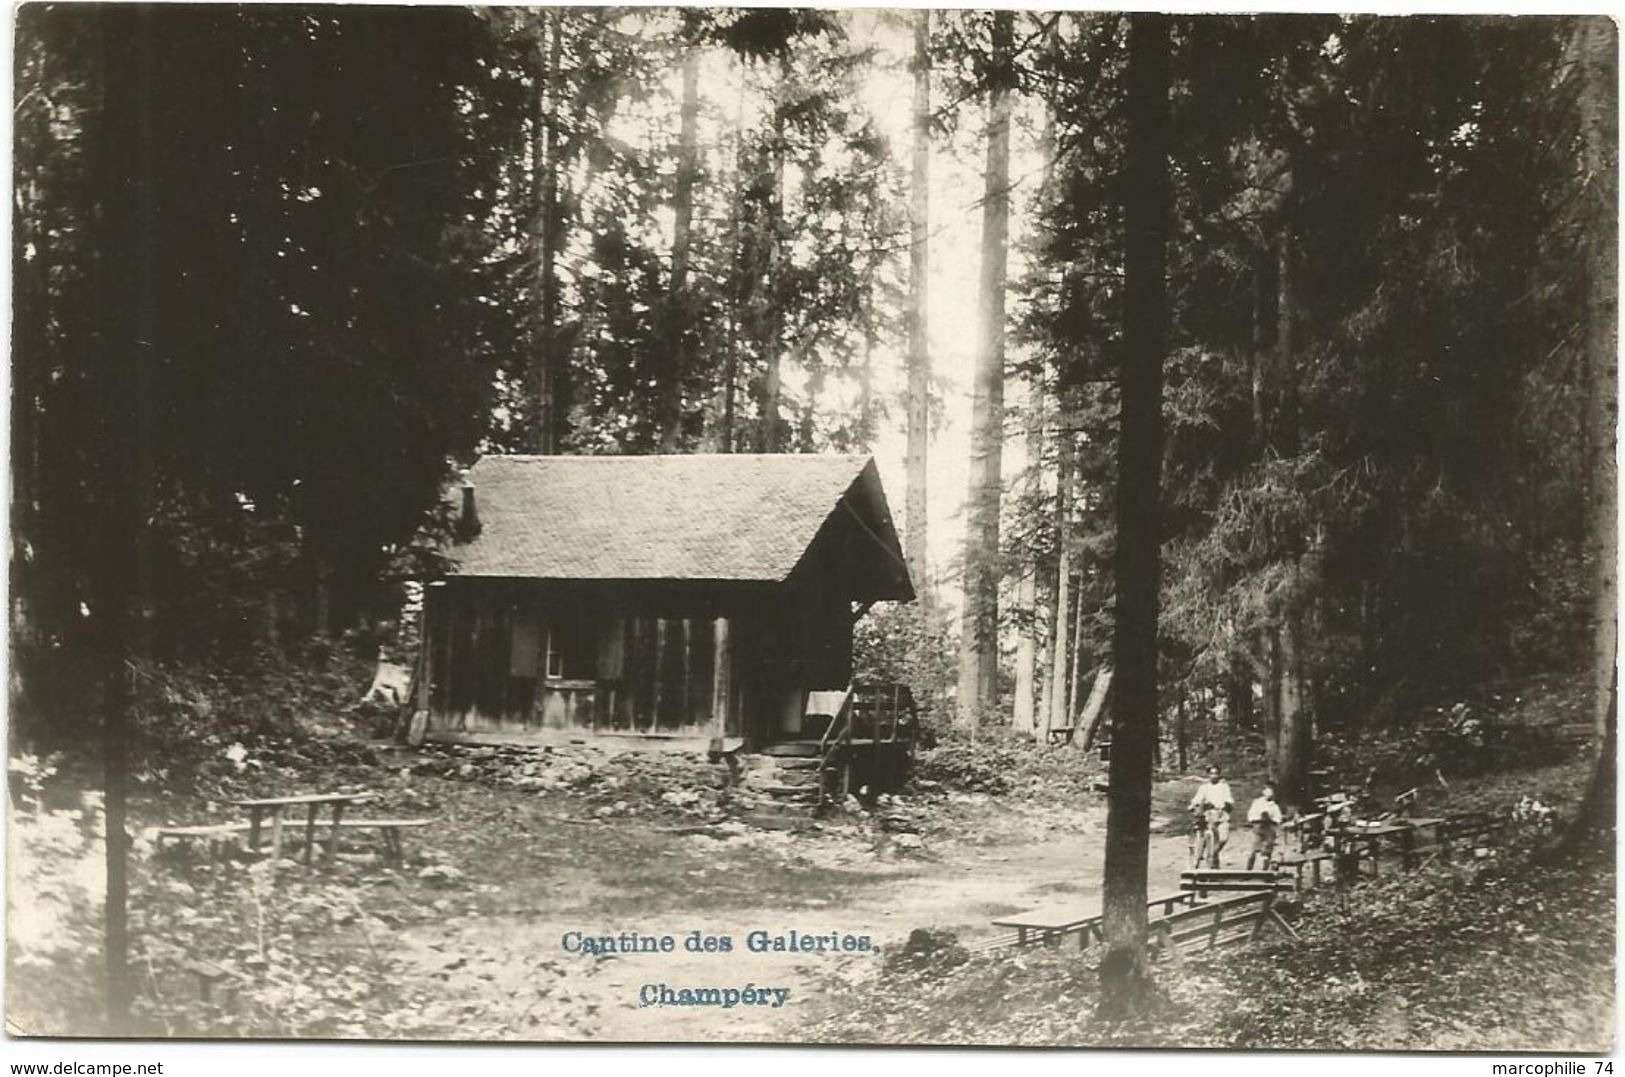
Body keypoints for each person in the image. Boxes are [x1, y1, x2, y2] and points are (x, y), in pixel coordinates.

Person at [1189, 764, 1234, 868]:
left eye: (1216, 773)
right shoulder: (1204, 787)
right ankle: (1209, 860)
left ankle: (1213, 854)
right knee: (1209, 837)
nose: (1214, 776)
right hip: (1209, 815)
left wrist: (1228, 804)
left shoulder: (1224, 787)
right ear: (1208, 775)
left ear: (1219, 774)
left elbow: (1229, 798)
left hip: (1222, 815)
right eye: (1211, 773)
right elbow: (1197, 799)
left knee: (1223, 838)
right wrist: (1193, 805)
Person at [1246, 784, 1283, 870]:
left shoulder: (1274, 805)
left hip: (1269, 828)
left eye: (1271, 792)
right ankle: (1248, 871)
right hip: (1258, 827)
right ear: (1263, 792)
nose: (1269, 794)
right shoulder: (1257, 803)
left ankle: (1265, 872)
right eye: (1267, 791)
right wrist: (1258, 818)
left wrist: (1271, 819)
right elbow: (1251, 815)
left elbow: (1278, 818)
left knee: (1267, 851)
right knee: (1253, 850)